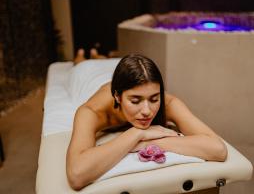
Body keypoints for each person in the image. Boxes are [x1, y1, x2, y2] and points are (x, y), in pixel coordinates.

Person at [66, 49, 228, 190]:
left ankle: (98, 57)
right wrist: (136, 134)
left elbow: (218, 149)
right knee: (83, 65)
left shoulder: (168, 103)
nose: (147, 111)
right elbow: (76, 175)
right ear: (117, 96)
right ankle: (83, 59)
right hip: (89, 76)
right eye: (135, 101)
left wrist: (148, 143)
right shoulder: (92, 111)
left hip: (118, 73)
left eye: (154, 99)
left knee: (106, 62)